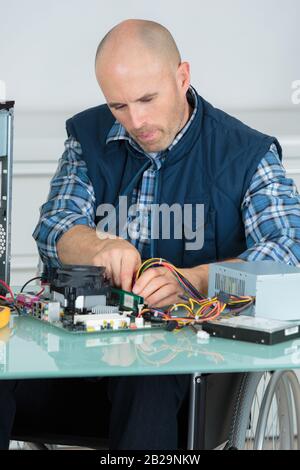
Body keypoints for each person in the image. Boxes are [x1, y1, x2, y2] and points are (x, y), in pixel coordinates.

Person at [1, 19, 300, 450]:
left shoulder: (245, 152)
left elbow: (287, 250)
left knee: (146, 380)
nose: (136, 120)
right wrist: (98, 246)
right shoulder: (87, 138)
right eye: (118, 106)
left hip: (190, 378)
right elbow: (55, 228)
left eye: (147, 99)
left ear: (182, 77)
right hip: (81, 368)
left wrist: (194, 279)